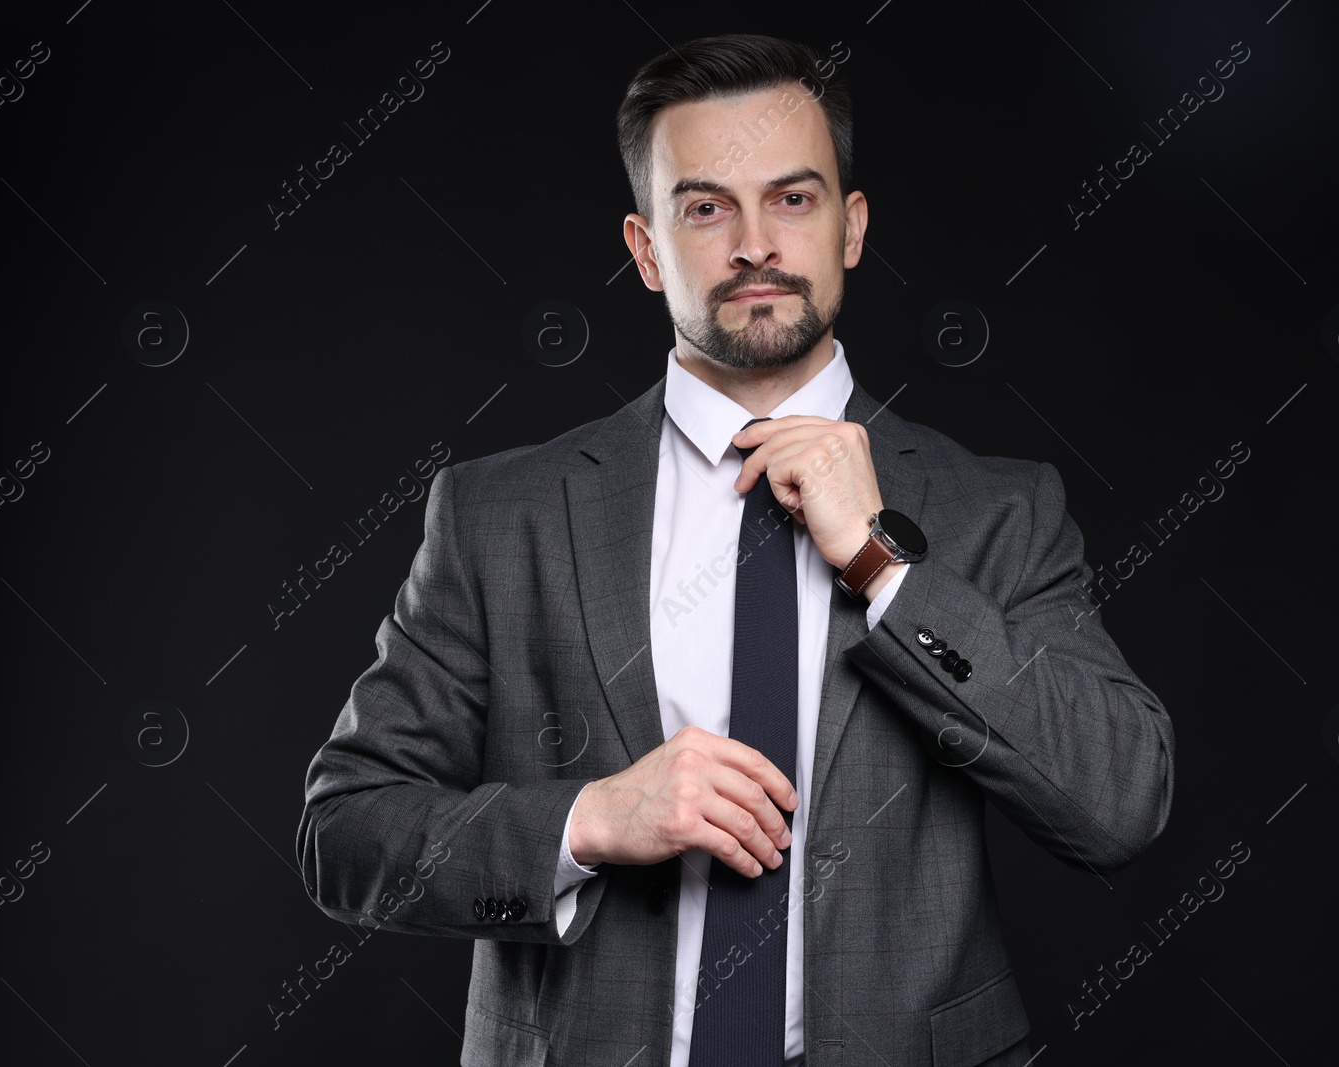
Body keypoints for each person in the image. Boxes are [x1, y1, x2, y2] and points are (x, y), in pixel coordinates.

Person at [296, 32, 1174, 1067]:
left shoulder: (998, 508)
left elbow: (1119, 803)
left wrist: (886, 567)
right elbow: (345, 835)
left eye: (793, 199)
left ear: (850, 227)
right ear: (645, 247)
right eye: (706, 207)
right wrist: (587, 818)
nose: (754, 243)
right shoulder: (502, 515)